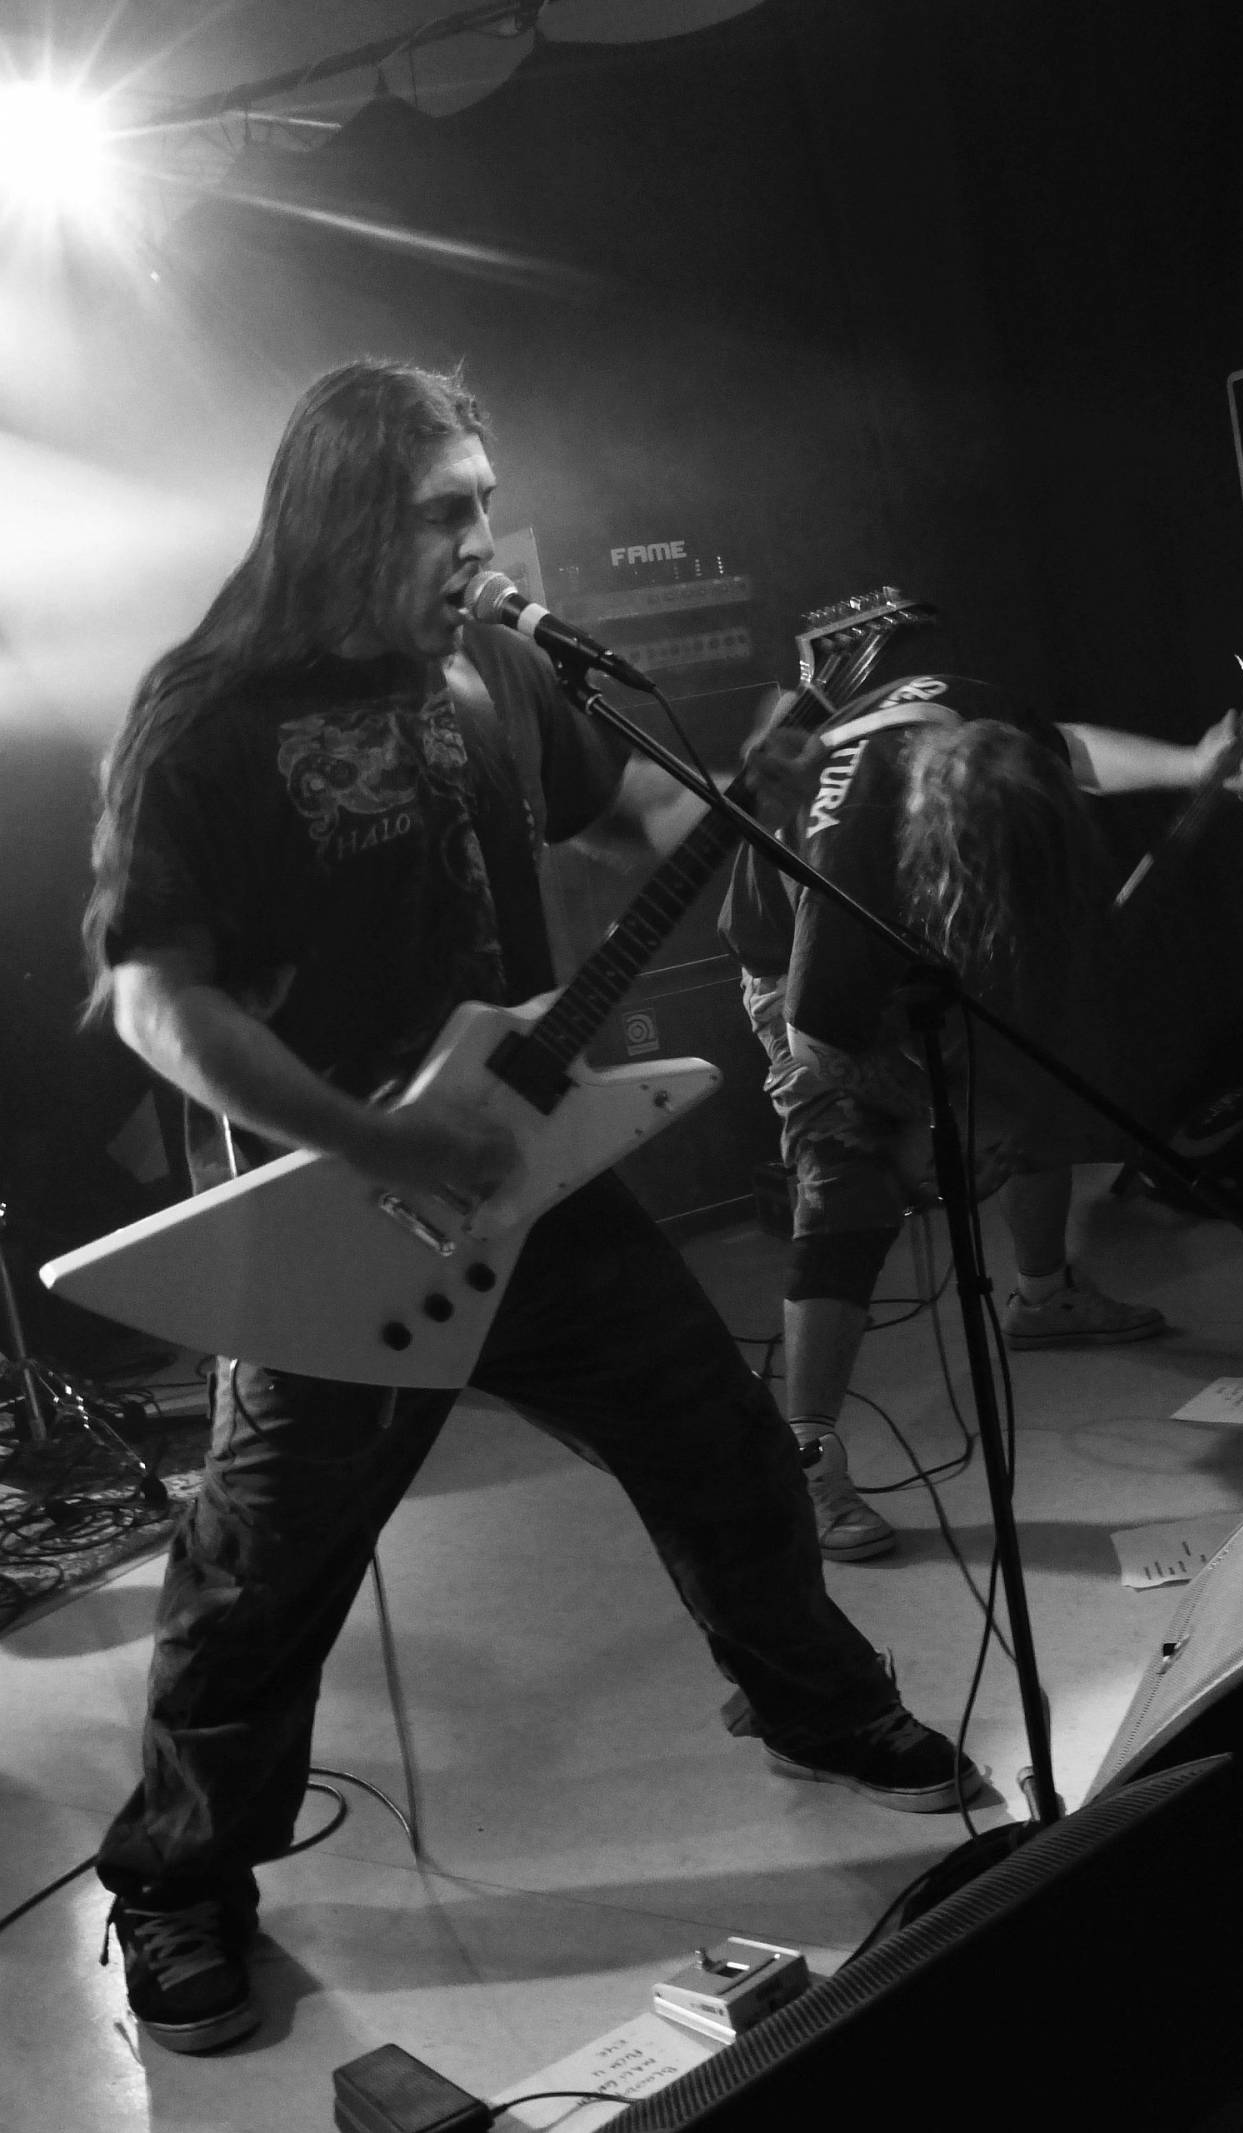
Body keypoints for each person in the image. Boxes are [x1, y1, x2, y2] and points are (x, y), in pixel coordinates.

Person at [79, 360, 980, 2057]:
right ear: (348, 511)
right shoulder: (204, 713)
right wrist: (372, 1132)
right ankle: (180, 1882)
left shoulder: (491, 668)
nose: (484, 543)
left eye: (485, 505)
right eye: (449, 512)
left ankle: (819, 1705)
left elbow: (633, 819)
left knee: (723, 1450)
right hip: (335, 1218)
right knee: (261, 1572)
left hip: (535, 1179)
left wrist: (751, 780)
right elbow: (153, 999)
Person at [720, 669, 1243, 1561]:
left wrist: (1192, 763)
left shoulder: (979, 722)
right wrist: (941, 1118)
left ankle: (1044, 1298)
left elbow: (1068, 750)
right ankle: (804, 1458)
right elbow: (816, 1037)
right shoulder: (854, 857)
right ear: (943, 852)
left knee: (1031, 1057)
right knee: (846, 1175)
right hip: (798, 976)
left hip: (913, 913)